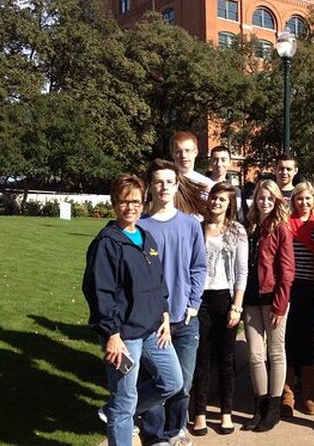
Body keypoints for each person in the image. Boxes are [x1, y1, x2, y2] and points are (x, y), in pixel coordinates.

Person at [82, 174, 183, 446]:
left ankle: (115, 411)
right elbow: (99, 292)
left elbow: (158, 281)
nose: (131, 207)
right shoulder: (107, 243)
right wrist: (112, 334)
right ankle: (119, 414)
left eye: (136, 202)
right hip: (124, 336)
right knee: (124, 403)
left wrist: (164, 313)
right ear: (115, 203)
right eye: (124, 201)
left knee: (172, 382)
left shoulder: (145, 237)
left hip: (152, 330)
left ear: (144, 203)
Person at [137, 159, 208, 446]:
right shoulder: (140, 226)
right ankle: (155, 435)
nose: (164, 187)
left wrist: (193, 303)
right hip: (152, 319)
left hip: (185, 317)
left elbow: (199, 267)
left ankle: (176, 429)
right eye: (158, 181)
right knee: (157, 379)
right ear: (150, 186)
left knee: (183, 382)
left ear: (177, 186)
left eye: (169, 181)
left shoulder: (190, 225)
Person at [192, 182, 248, 437]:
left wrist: (237, 306)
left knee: (226, 359)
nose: (216, 202)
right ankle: (200, 413)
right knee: (202, 358)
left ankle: (226, 412)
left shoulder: (237, 230)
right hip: (200, 298)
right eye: (214, 198)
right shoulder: (197, 227)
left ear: (230, 204)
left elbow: (241, 271)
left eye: (222, 200)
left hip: (225, 298)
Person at [243, 179, 295, 432]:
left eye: (270, 198)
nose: (265, 202)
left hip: (273, 297)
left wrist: (280, 304)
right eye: (261, 197)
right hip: (250, 297)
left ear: (276, 201)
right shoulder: (249, 226)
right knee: (255, 354)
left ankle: (273, 408)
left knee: (275, 352)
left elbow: (287, 270)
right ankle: (260, 405)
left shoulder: (281, 228)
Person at [283, 181, 314, 417]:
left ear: (313, 200)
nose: (303, 203)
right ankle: (287, 394)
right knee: (288, 338)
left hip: (311, 288)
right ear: (293, 200)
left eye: (308, 198)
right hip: (290, 287)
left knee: (307, 338)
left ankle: (309, 393)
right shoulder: (285, 224)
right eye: (299, 198)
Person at [170, 131, 214, 197]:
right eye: (178, 152)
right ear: (172, 154)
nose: (184, 155)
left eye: (187, 150)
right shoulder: (166, 184)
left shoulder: (207, 184)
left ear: (196, 152)